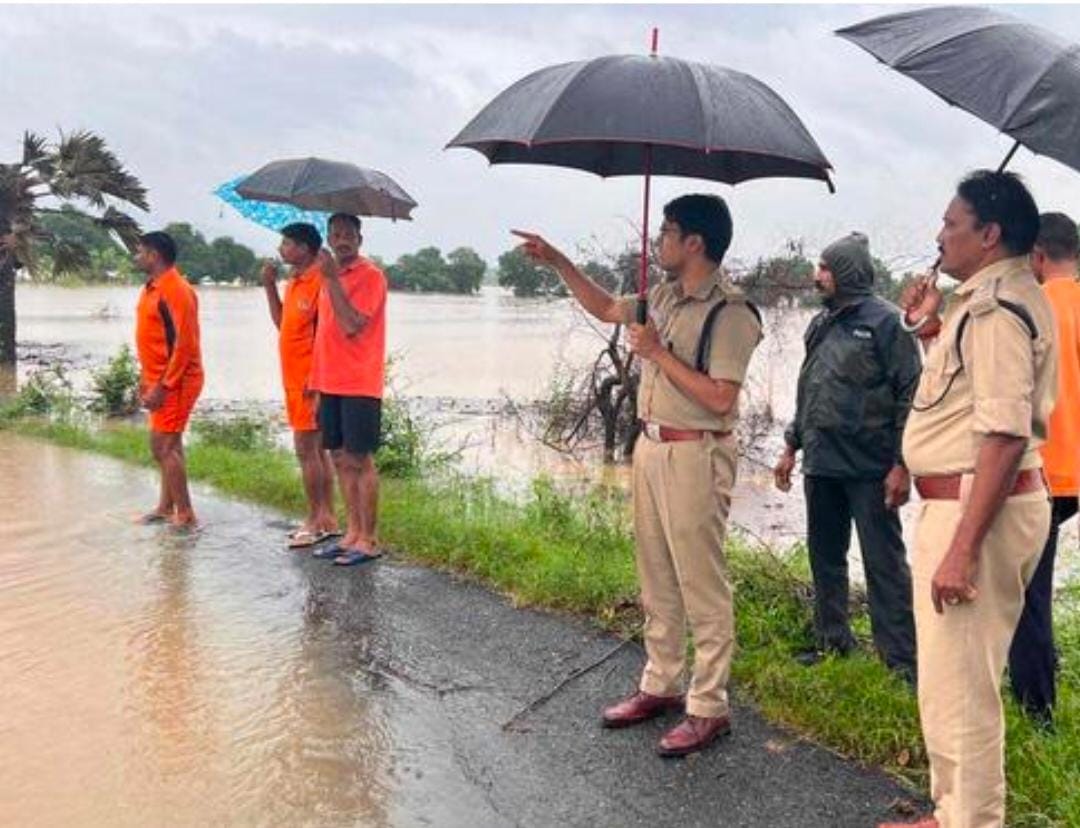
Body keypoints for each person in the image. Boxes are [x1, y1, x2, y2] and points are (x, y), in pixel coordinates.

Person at [514, 193, 763, 757]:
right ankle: (662, 682)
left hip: (697, 452)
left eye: (667, 233)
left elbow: (721, 400)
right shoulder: (664, 296)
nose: (659, 243)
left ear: (694, 243)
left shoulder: (731, 312)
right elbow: (605, 308)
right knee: (656, 572)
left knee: (701, 579)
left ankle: (709, 705)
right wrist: (558, 262)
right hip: (652, 446)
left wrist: (657, 353)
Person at [880, 170, 1057, 828]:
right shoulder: (980, 303)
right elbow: (961, 404)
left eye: (951, 223)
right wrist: (930, 328)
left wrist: (961, 550)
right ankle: (952, 808)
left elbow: (1005, 436)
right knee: (947, 680)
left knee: (964, 691)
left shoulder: (996, 311)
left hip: (976, 510)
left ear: (988, 234)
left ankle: (974, 820)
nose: (939, 235)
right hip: (960, 502)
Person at [774, 232, 919, 680]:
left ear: (848, 272)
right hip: (821, 461)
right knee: (825, 556)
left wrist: (902, 463)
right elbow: (808, 390)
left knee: (885, 564)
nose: (817, 275)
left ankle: (901, 664)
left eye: (825, 267)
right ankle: (833, 641)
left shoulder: (888, 323)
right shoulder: (821, 323)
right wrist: (791, 445)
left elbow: (910, 395)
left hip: (871, 466)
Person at [1006, 211, 1080, 729]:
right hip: (1073, 474)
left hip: (1040, 470)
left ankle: (1038, 712)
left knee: (1023, 592)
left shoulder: (1037, 308)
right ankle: (1039, 678)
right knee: (1037, 584)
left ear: (1035, 256)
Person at [307, 213, 387, 567]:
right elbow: (323, 335)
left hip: (359, 381)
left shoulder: (370, 276)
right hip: (330, 381)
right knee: (338, 457)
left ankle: (369, 539)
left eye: (348, 235)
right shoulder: (329, 278)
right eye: (335, 234)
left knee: (359, 459)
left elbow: (352, 324)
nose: (341, 240)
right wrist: (315, 386)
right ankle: (351, 533)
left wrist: (331, 281)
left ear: (360, 238)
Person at [261, 222, 339, 549]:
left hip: (309, 380)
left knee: (307, 451)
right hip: (293, 378)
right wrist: (269, 286)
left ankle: (316, 520)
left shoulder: (321, 281)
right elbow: (283, 325)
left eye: (287, 243)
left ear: (305, 248)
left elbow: (327, 335)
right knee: (315, 452)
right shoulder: (295, 281)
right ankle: (326, 519)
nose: (281, 249)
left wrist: (319, 382)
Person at [133, 230, 204, 529]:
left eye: (140, 251)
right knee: (169, 445)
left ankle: (185, 513)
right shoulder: (152, 287)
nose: (136, 256)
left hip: (177, 380)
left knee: (163, 446)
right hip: (157, 377)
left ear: (154, 255)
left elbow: (184, 345)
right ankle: (166, 506)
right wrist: (145, 380)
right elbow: (153, 339)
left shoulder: (176, 289)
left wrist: (164, 386)